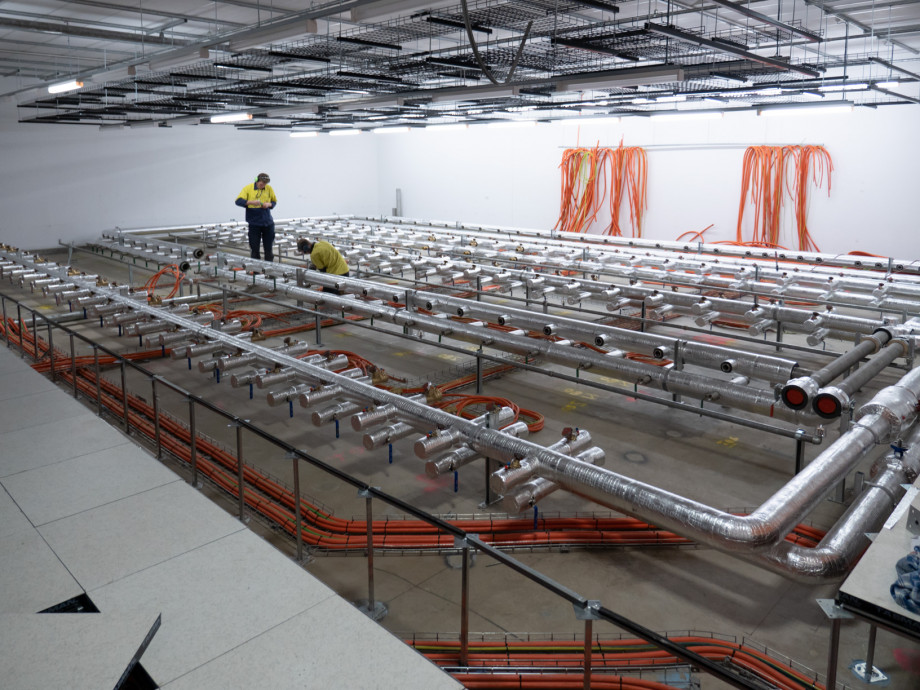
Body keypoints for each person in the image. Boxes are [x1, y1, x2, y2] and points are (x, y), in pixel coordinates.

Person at [235, 173, 277, 261]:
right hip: (254, 224)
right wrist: (251, 202)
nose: (263, 186)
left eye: (265, 184)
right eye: (262, 184)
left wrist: (268, 204)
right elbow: (238, 201)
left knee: (269, 250)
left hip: (267, 223)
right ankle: (256, 272)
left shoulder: (269, 189)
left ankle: (270, 272)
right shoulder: (248, 188)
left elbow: (274, 201)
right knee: (255, 250)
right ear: (257, 181)